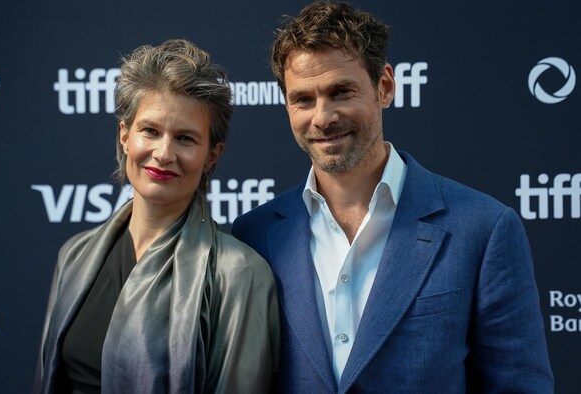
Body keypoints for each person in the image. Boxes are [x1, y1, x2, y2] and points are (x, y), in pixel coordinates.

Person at [231, 1, 554, 392]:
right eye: (303, 99)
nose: (322, 117)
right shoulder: (255, 235)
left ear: (383, 87)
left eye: (341, 91)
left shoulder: (483, 230)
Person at [33, 39, 280, 394]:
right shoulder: (74, 255)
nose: (164, 153)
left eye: (185, 139)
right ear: (124, 135)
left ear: (212, 154)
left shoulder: (239, 275)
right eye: (150, 131)